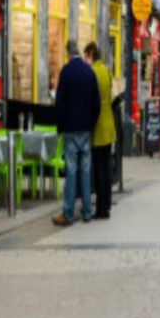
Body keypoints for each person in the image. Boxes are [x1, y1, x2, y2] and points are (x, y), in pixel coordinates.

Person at [51, 40, 100, 227]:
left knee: (71, 171)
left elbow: (60, 103)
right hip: (85, 129)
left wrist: (60, 127)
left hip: (70, 130)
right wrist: (90, 123)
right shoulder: (89, 72)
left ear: (67, 53)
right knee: (85, 170)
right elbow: (96, 103)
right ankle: (87, 211)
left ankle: (68, 213)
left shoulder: (66, 72)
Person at [85, 42, 115, 220]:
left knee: (98, 169)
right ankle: (107, 205)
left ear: (90, 55)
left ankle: (100, 209)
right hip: (109, 122)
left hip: (97, 125)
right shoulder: (106, 70)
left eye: (86, 57)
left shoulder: (92, 72)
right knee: (107, 168)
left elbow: (91, 99)